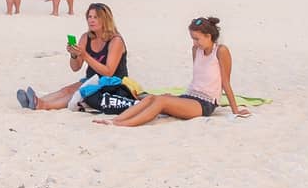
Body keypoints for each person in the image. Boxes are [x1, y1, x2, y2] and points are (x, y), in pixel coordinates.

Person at [98, 17, 251, 125]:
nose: (194, 42)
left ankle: (123, 124)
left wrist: (235, 110)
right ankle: (116, 120)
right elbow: (198, 78)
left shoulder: (221, 51)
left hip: (206, 103)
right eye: (192, 38)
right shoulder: (195, 50)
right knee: (152, 98)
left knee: (162, 102)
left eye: (197, 39)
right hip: (190, 96)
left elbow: (226, 82)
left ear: (208, 36)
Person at [18, 3, 127, 110]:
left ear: (105, 20)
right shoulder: (86, 37)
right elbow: (75, 68)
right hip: (92, 79)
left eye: (96, 17)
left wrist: (85, 55)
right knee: (66, 90)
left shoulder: (115, 40)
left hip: (112, 83)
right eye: (89, 17)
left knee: (76, 93)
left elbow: (109, 72)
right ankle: (34, 101)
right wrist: (74, 55)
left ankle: (42, 105)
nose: (91, 20)